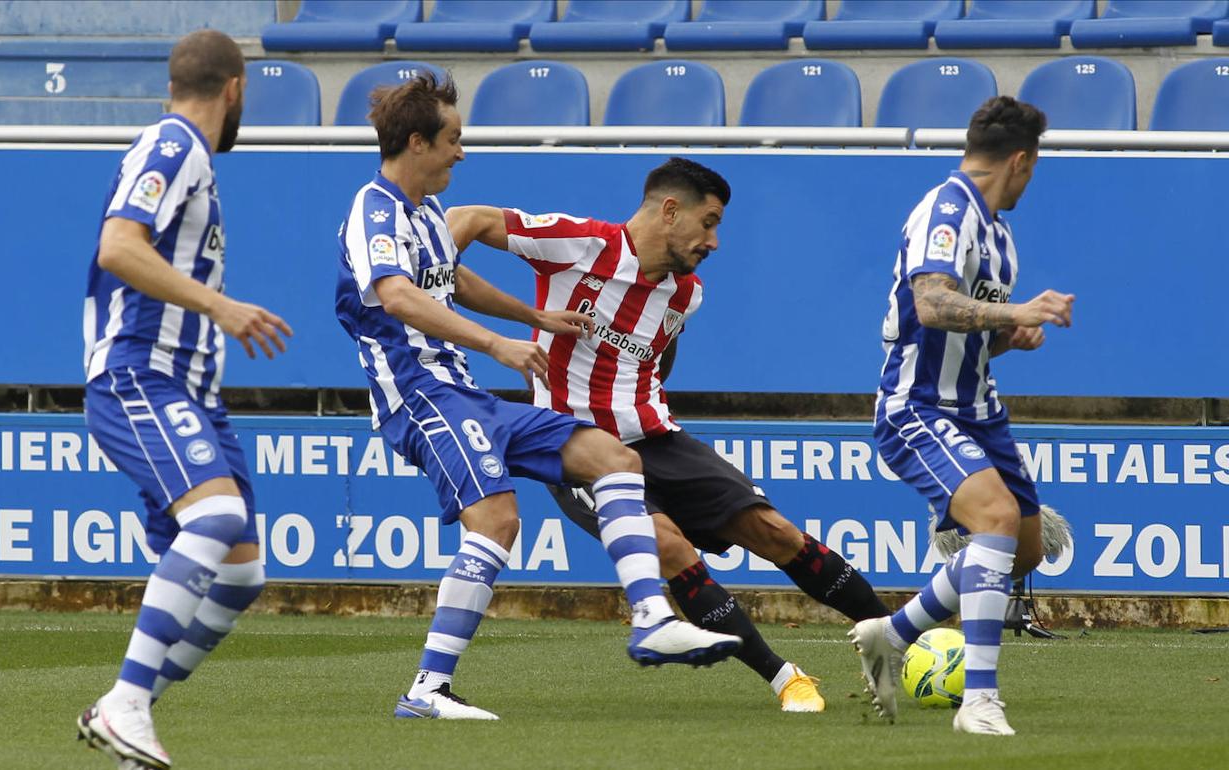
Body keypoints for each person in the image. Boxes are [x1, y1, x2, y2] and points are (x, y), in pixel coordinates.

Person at [334, 76, 741, 722]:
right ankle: (427, 691)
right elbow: (398, 295)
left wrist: (535, 317)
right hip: (419, 396)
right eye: (453, 139)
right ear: (417, 143)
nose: (461, 153)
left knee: (614, 460)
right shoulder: (373, 209)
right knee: (497, 521)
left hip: (462, 393)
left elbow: (451, 279)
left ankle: (652, 616)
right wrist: (499, 344)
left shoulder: (426, 217)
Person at [448, 157, 891, 714]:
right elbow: (465, 217)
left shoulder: (687, 293)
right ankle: (786, 678)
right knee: (670, 547)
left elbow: (660, 350)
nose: (714, 241)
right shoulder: (581, 244)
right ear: (671, 210)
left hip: (657, 438)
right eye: (708, 223)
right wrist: (430, 282)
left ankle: (898, 642)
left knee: (774, 532)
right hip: (578, 449)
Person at [75, 30, 292, 769]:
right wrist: (222, 308)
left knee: (239, 571)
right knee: (219, 517)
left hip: (192, 392)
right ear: (235, 89)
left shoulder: (185, 155)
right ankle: (127, 703)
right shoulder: (175, 146)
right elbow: (118, 247)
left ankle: (122, 712)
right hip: (140, 373)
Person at [850, 96, 1073, 736]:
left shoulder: (997, 232)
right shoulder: (945, 210)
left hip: (981, 411)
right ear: (1022, 160)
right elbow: (931, 304)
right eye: (1035, 165)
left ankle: (891, 635)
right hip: (918, 406)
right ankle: (979, 701)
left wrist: (1011, 334)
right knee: (996, 519)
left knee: (1022, 550)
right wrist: (1016, 312)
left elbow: (971, 329)